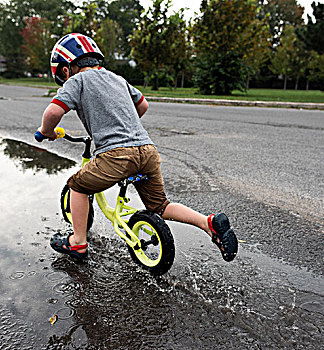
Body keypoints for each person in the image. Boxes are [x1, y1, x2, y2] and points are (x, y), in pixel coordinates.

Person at [37, 33, 238, 263]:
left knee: (78, 186)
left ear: (65, 69)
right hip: (147, 150)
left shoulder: (77, 81)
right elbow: (142, 105)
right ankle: (208, 223)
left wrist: (46, 131)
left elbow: (53, 112)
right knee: (160, 205)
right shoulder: (117, 78)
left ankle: (78, 242)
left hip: (116, 156)